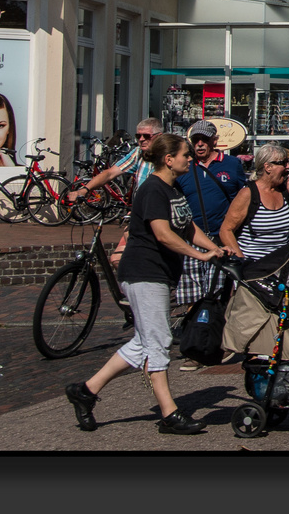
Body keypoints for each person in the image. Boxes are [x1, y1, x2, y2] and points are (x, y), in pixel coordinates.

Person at [64, 134, 228, 435]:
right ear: (168, 159)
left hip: (160, 273)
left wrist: (214, 247)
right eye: (184, 155)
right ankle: (169, 414)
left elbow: (187, 225)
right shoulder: (152, 190)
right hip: (144, 272)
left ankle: (85, 391)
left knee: (142, 343)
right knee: (159, 341)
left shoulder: (172, 188)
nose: (189, 159)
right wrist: (199, 255)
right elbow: (164, 234)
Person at [171, 121, 246, 325]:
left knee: (218, 292)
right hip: (192, 239)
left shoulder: (232, 164)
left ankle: (215, 334)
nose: (200, 144)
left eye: (205, 139)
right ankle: (197, 335)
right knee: (192, 295)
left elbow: (245, 196)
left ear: (215, 141)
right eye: (196, 140)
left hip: (222, 240)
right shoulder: (185, 166)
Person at [66, 118, 162, 269]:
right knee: (118, 260)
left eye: (146, 136)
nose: (141, 140)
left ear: (159, 136)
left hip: (158, 217)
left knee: (143, 260)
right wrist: (84, 190)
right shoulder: (138, 154)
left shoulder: (169, 156)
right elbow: (110, 173)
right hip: (139, 216)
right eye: (138, 136)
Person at [218, 142, 289, 264]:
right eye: (283, 163)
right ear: (268, 167)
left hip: (281, 267)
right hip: (253, 268)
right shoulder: (248, 194)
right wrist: (241, 261)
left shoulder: (284, 192)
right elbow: (226, 230)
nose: (288, 166)